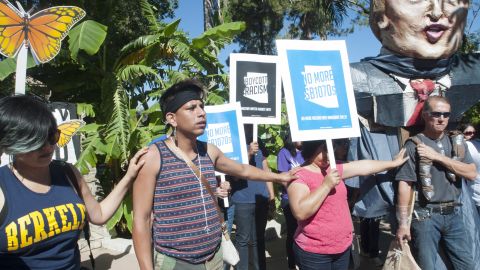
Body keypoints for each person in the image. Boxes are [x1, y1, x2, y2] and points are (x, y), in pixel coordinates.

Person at [132, 79, 296, 270]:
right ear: (172, 118)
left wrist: (279, 177)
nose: (201, 113)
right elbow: (141, 220)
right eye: (191, 108)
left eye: (201, 106)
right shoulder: (154, 156)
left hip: (214, 258)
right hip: (176, 261)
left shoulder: (209, 151)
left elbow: (242, 169)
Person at [0, 95, 147, 270]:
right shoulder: (4, 185)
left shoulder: (67, 172)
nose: (47, 147)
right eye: (36, 141)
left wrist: (129, 176)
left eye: (52, 136)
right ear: (11, 143)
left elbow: (98, 214)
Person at [287, 139, 408, 270]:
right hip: (314, 253)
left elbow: (364, 167)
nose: (329, 155)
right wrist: (326, 185)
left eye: (331, 149)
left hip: (342, 248)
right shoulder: (299, 175)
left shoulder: (333, 168)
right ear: (311, 148)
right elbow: (300, 212)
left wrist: (393, 163)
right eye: (324, 150)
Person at [395, 96, 477, 270]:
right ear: (425, 115)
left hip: (454, 214)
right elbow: (405, 185)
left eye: (446, 114)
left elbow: (471, 173)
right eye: (436, 113)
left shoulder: (456, 141)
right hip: (425, 215)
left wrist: (436, 156)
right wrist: (403, 224)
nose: (442, 118)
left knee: (467, 265)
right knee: (428, 266)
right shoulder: (413, 145)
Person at [230, 135, 274, 270]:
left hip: (261, 198)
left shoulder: (258, 140)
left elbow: (266, 169)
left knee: (258, 239)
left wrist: (271, 195)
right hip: (242, 200)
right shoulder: (234, 140)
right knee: (243, 239)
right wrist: (248, 153)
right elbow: (234, 176)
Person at [276, 132, 304, 270]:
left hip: (307, 199)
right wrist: (294, 194)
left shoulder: (308, 151)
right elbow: (283, 178)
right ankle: (292, 264)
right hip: (290, 199)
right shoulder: (284, 153)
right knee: (293, 232)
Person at [459, 123, 480, 214]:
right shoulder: (466, 145)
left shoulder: (469, 145)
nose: (472, 135)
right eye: (468, 133)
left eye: (474, 133)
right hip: (473, 193)